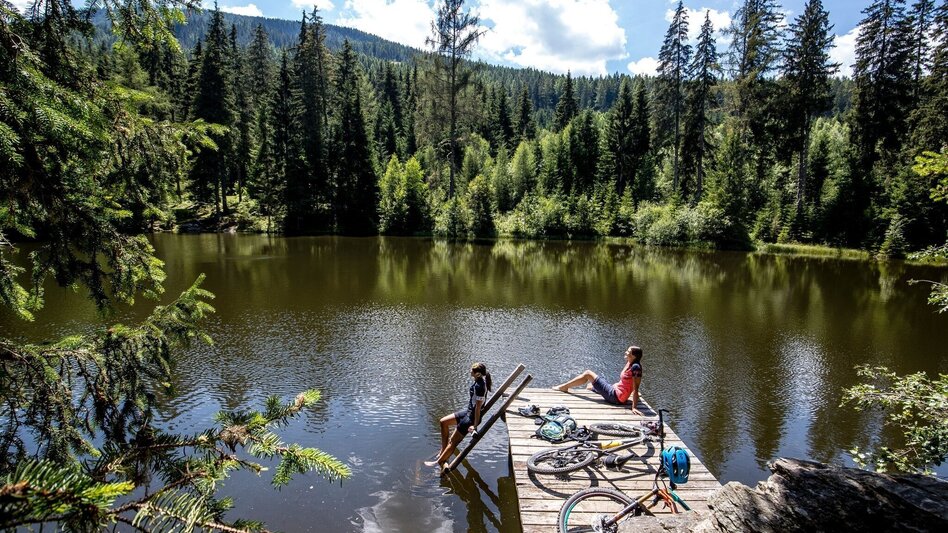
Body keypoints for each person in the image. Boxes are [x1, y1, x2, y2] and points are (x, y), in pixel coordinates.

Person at [425, 362, 493, 468]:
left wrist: (474, 426)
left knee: (453, 442)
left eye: (472, 370)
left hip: (470, 418)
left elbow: (478, 408)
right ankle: (443, 451)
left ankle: (438, 462)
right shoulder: (478, 381)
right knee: (443, 422)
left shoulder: (480, 386)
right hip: (467, 412)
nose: (470, 371)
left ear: (478, 374)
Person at [552, 346, 644, 415]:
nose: (626, 352)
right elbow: (629, 383)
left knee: (588, 374)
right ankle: (592, 388)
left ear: (634, 356)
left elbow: (636, 387)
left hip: (615, 397)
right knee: (590, 386)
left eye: (628, 351)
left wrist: (634, 407)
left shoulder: (636, 367)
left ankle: (564, 387)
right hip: (616, 391)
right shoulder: (630, 362)